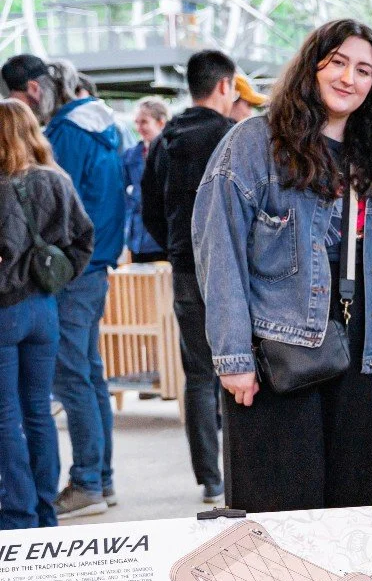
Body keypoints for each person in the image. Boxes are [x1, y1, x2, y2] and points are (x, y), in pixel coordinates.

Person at [193, 19, 372, 512]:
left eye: (363, 70)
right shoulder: (254, 141)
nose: (348, 78)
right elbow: (218, 246)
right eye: (337, 63)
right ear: (311, 66)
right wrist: (233, 359)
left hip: (355, 345)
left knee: (354, 507)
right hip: (276, 343)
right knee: (281, 510)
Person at [141, 51, 237, 505]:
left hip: (184, 267)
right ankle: (242, 466)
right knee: (241, 363)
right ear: (224, 86)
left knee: (199, 375)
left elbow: (149, 209)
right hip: (232, 268)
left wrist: (177, 247)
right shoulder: (233, 136)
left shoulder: (165, 140)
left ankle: (210, 480)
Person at [35, 59, 127, 519]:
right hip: (97, 264)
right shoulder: (106, 127)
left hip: (73, 270)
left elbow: (54, 204)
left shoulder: (69, 134)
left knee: (73, 378)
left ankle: (88, 481)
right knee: (89, 376)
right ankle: (101, 479)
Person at [0, 99, 94, 528]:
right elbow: (83, 238)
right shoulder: (56, 179)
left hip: (5, 311)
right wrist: (57, 278)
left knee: (6, 416)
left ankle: (17, 516)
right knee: (38, 410)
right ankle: (43, 511)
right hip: (45, 309)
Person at [122, 98, 168, 263]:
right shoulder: (131, 155)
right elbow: (121, 190)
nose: (139, 128)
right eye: (137, 122)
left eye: (144, 122)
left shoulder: (171, 153)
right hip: (137, 236)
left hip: (162, 238)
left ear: (161, 122)